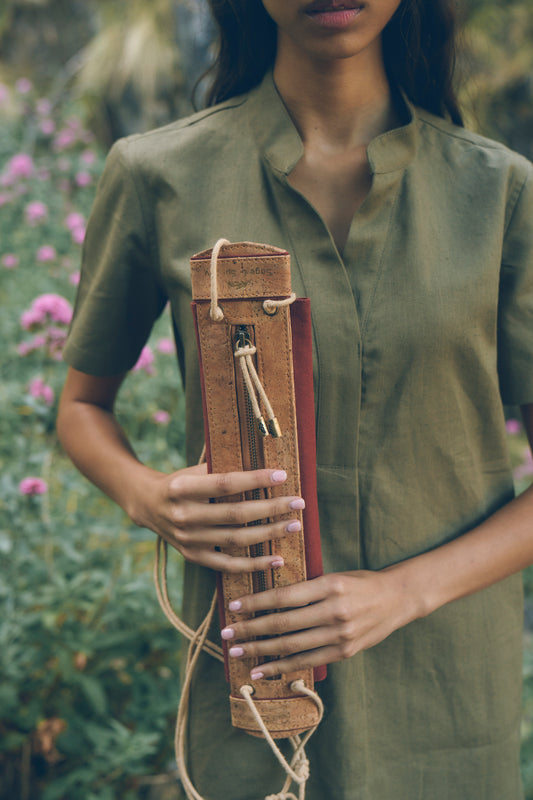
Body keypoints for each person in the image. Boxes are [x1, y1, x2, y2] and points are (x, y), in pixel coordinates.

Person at [57, 1, 533, 798]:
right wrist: (151, 497)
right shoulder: (158, 176)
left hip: (446, 690)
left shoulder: (500, 195)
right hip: (252, 681)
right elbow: (81, 407)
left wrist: (402, 593)